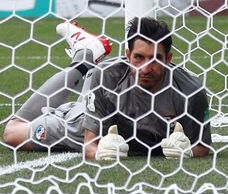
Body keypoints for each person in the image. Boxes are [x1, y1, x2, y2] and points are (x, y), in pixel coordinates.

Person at [3, 17, 212, 160]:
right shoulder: (108, 76)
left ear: (168, 59)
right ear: (128, 55)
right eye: (138, 58)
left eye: (155, 59)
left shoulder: (190, 92)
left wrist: (189, 152)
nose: (146, 68)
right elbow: (89, 145)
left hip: (104, 100)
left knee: (95, 91)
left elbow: (204, 146)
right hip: (89, 123)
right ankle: (84, 59)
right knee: (13, 133)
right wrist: (100, 152)